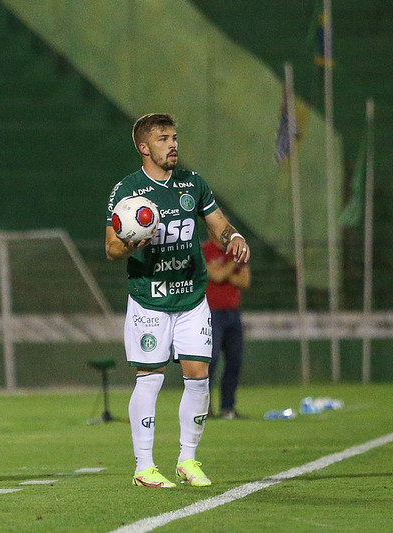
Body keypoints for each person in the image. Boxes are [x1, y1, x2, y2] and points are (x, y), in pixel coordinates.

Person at [105, 113, 250, 488]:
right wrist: (130, 244)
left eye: (174, 137)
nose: (173, 144)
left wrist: (234, 237)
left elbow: (218, 225)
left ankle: (187, 459)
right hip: (149, 299)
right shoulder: (127, 191)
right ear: (144, 147)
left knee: (199, 377)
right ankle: (144, 467)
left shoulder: (193, 183)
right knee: (150, 379)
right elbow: (111, 249)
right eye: (163, 139)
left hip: (191, 297)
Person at [203, 236, 251, 420]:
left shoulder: (235, 251)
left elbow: (244, 281)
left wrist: (223, 268)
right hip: (211, 313)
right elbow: (215, 275)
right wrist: (233, 265)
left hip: (233, 313)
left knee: (234, 361)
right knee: (211, 361)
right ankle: (204, 407)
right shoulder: (205, 250)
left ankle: (227, 407)